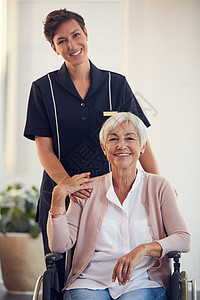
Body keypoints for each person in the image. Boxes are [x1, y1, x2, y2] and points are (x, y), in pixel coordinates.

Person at [23, 8, 160, 289]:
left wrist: (158, 183)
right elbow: (44, 149)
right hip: (61, 195)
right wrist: (69, 185)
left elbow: (139, 139)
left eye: (75, 35)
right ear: (53, 47)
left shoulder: (116, 84)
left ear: (86, 34)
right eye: (62, 41)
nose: (72, 45)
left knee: (109, 274)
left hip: (112, 194)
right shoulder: (42, 89)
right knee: (59, 277)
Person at [47, 112, 190, 300]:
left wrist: (143, 250)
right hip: (90, 282)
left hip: (142, 281)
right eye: (113, 139)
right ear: (104, 148)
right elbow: (59, 245)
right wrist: (58, 197)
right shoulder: (87, 190)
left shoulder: (159, 186)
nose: (121, 145)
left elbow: (183, 238)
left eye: (130, 138)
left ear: (142, 147)